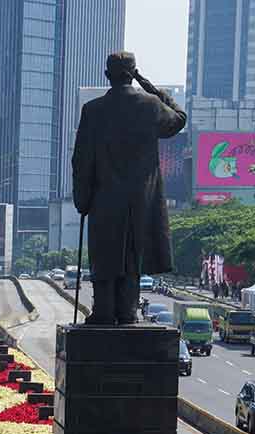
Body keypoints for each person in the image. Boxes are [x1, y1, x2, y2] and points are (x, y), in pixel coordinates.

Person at [72, 51, 187, 325]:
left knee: (104, 255)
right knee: (133, 256)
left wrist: (82, 198)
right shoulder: (150, 106)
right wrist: (151, 88)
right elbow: (179, 118)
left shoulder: (93, 110)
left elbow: (81, 159)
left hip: (104, 197)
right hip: (141, 199)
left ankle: (103, 311)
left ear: (107, 76)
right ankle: (127, 312)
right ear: (133, 74)